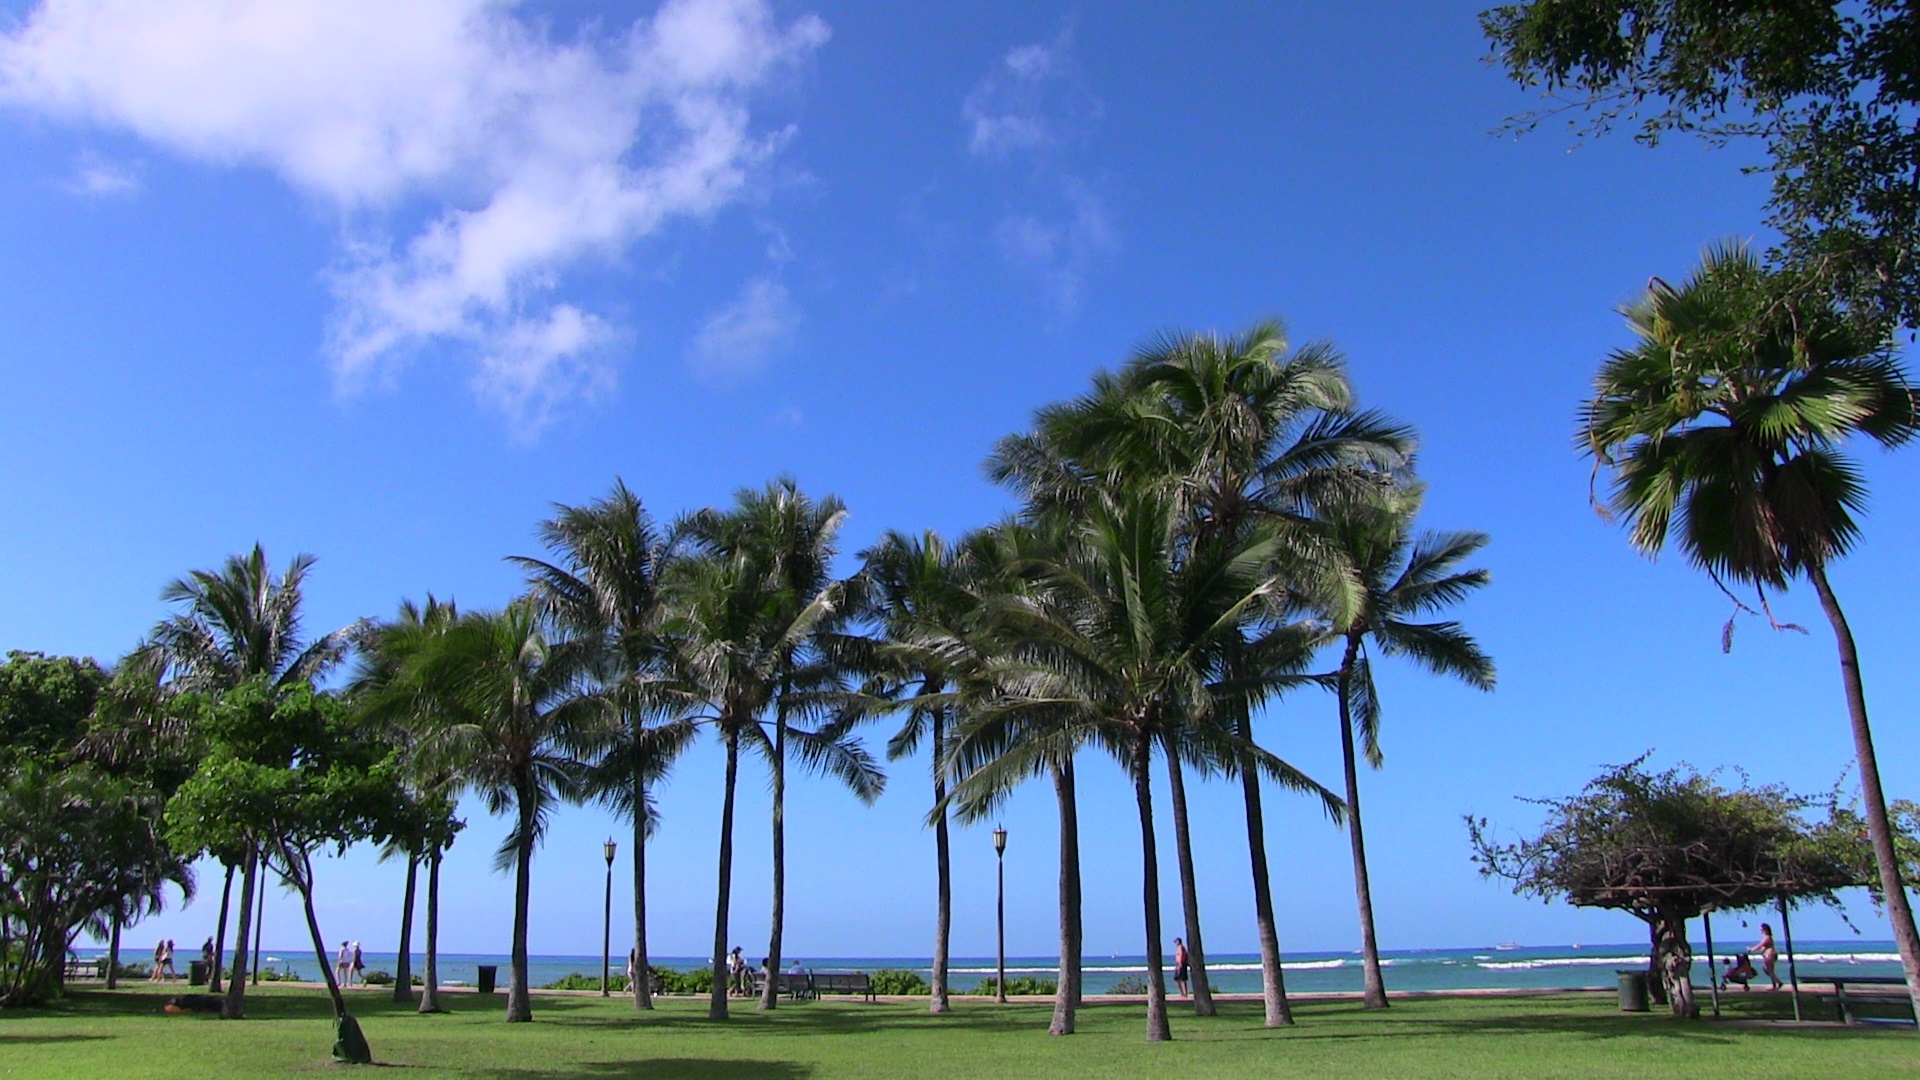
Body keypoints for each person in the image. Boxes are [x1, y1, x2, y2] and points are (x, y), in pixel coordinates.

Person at [1753, 924, 1782, 990]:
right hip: (1768, 955)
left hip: (1769, 955)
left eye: (1761, 929)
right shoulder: (1767, 937)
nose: (1760, 930)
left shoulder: (1767, 938)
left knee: (1769, 970)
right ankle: (1775, 984)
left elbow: (1760, 945)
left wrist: (1751, 949)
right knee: (1768, 970)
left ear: (1765, 930)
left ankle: (1778, 983)